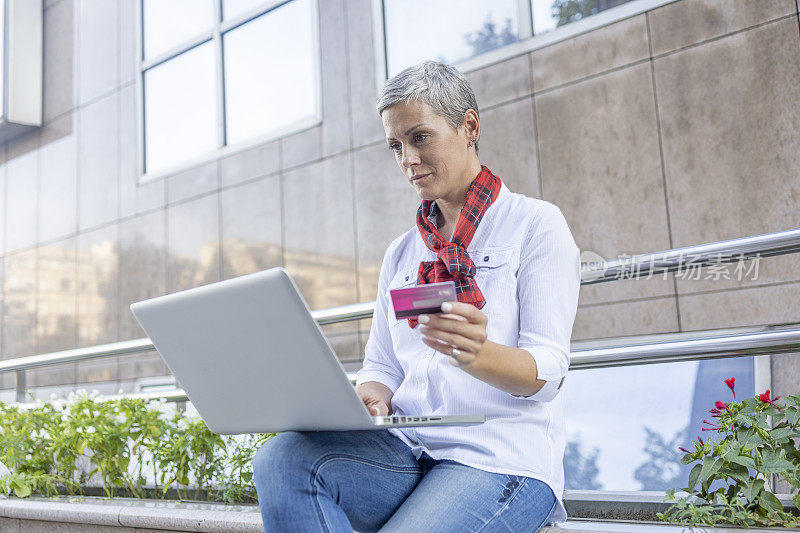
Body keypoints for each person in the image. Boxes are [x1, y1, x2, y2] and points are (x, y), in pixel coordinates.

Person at [252, 60, 580, 532]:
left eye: (419, 137)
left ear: (469, 127)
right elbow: (383, 366)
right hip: (409, 454)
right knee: (285, 458)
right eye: (395, 145)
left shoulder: (535, 225)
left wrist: (478, 354)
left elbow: (547, 373)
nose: (407, 159)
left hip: (500, 460)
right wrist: (369, 397)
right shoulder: (402, 254)